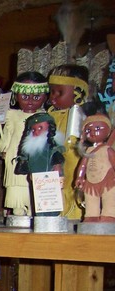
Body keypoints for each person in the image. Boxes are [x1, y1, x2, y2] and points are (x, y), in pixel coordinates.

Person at [0, 72, 49, 216]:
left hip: (36, 157)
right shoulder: (12, 115)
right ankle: (18, 211)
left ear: (45, 97)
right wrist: (3, 147)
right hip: (15, 155)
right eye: (25, 96)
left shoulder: (45, 117)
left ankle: (34, 210)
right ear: (16, 96)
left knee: (35, 186)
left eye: (36, 97)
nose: (30, 101)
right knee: (16, 186)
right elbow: (8, 134)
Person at [47, 64, 89, 220]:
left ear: (78, 93)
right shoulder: (50, 116)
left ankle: (75, 213)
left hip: (74, 159)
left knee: (72, 185)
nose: (53, 97)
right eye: (52, 92)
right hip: (53, 162)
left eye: (59, 92)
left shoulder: (83, 116)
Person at [75, 113, 115, 222]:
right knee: (90, 199)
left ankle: (109, 216)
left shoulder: (108, 149)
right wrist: (80, 177)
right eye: (88, 130)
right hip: (91, 181)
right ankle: (91, 216)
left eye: (97, 128)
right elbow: (83, 165)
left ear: (108, 132)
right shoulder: (88, 150)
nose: (92, 132)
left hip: (108, 180)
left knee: (109, 198)